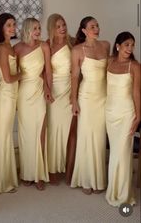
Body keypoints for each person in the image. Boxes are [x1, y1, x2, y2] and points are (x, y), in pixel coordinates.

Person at [70, 16, 110, 194]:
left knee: (100, 137)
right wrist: (73, 100)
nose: (96, 28)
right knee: (86, 136)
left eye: (97, 25)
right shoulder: (78, 50)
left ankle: (98, 178)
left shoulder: (106, 45)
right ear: (84, 31)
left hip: (103, 97)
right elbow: (74, 77)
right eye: (92, 26)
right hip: (86, 97)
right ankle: (85, 179)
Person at [14, 17, 52, 190]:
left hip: (38, 92)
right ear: (28, 29)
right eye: (35, 28)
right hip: (23, 94)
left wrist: (48, 89)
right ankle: (27, 173)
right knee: (25, 134)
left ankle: (39, 175)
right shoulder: (17, 48)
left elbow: (48, 71)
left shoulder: (44, 46)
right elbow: (14, 75)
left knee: (40, 134)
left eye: (39, 28)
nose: (38, 31)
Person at [105, 31, 140, 206]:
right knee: (115, 153)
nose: (130, 48)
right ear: (118, 46)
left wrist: (138, 117)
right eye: (127, 44)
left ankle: (124, 195)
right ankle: (113, 189)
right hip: (110, 113)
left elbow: (136, 92)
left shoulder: (134, 66)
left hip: (127, 113)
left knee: (123, 153)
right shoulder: (109, 62)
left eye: (132, 45)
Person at [0, 13, 21, 193]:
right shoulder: (1, 48)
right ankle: (2, 180)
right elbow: (8, 78)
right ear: (1, 27)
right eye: (8, 25)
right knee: (2, 136)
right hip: (4, 96)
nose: (12, 28)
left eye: (14, 24)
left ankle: (7, 176)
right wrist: (25, 74)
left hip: (12, 96)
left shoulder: (11, 47)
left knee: (7, 135)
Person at [46, 13, 74, 185]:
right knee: (54, 129)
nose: (62, 28)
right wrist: (47, 89)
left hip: (69, 88)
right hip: (55, 90)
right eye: (58, 26)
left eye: (63, 24)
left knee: (69, 130)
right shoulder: (47, 45)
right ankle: (52, 168)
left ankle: (69, 168)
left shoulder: (72, 42)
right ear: (52, 29)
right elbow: (44, 71)